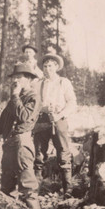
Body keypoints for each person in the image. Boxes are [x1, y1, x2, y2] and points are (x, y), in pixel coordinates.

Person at [0, 63, 41, 209]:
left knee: (28, 189)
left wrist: (15, 95)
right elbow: (2, 123)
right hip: (9, 144)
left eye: (20, 77)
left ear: (29, 79)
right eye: (14, 77)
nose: (15, 81)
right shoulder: (14, 99)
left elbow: (23, 117)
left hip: (21, 144)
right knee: (6, 188)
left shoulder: (33, 97)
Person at [33, 47, 77, 194]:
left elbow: (72, 103)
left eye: (50, 66)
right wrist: (41, 109)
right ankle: (35, 189)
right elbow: (33, 103)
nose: (47, 69)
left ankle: (68, 189)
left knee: (63, 153)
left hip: (59, 119)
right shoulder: (38, 83)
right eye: (45, 66)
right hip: (41, 120)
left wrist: (59, 114)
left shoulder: (63, 82)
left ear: (56, 67)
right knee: (38, 154)